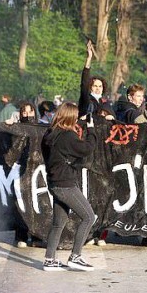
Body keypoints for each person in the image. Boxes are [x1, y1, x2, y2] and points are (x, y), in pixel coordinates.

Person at [41, 102, 97, 271]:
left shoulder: (50, 134)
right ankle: (75, 256)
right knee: (89, 217)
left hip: (54, 182)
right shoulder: (67, 136)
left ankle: (49, 260)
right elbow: (87, 149)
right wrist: (91, 129)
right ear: (71, 118)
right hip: (65, 184)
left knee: (59, 222)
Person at [78, 39, 107, 122]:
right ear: (90, 87)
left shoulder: (104, 102)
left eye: (100, 86)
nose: (98, 88)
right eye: (95, 86)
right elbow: (84, 83)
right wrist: (89, 58)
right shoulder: (86, 99)